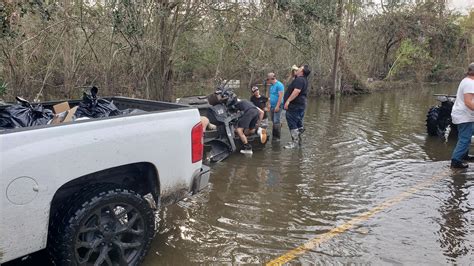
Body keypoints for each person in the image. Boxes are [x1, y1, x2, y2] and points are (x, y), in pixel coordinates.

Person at [450, 63, 474, 168]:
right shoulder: (470, 83)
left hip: (463, 114)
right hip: (464, 115)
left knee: (465, 136)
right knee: (465, 138)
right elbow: (468, 102)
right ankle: (455, 161)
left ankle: (464, 155)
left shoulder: (466, 81)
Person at [283, 64, 311, 149]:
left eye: (300, 68)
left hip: (295, 105)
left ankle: (294, 143)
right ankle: (299, 140)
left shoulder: (299, 80)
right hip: (300, 105)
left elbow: (296, 91)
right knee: (298, 123)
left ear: (302, 72)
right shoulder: (303, 79)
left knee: (292, 123)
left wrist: (288, 101)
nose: (298, 69)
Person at [267, 73, 285, 140]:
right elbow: (270, 95)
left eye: (268, 79)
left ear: (272, 78)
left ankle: (277, 138)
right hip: (272, 106)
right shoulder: (271, 85)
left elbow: (281, 96)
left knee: (276, 121)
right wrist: (269, 104)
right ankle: (274, 135)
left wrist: (277, 106)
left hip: (278, 106)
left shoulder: (279, 85)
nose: (268, 80)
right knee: (273, 121)